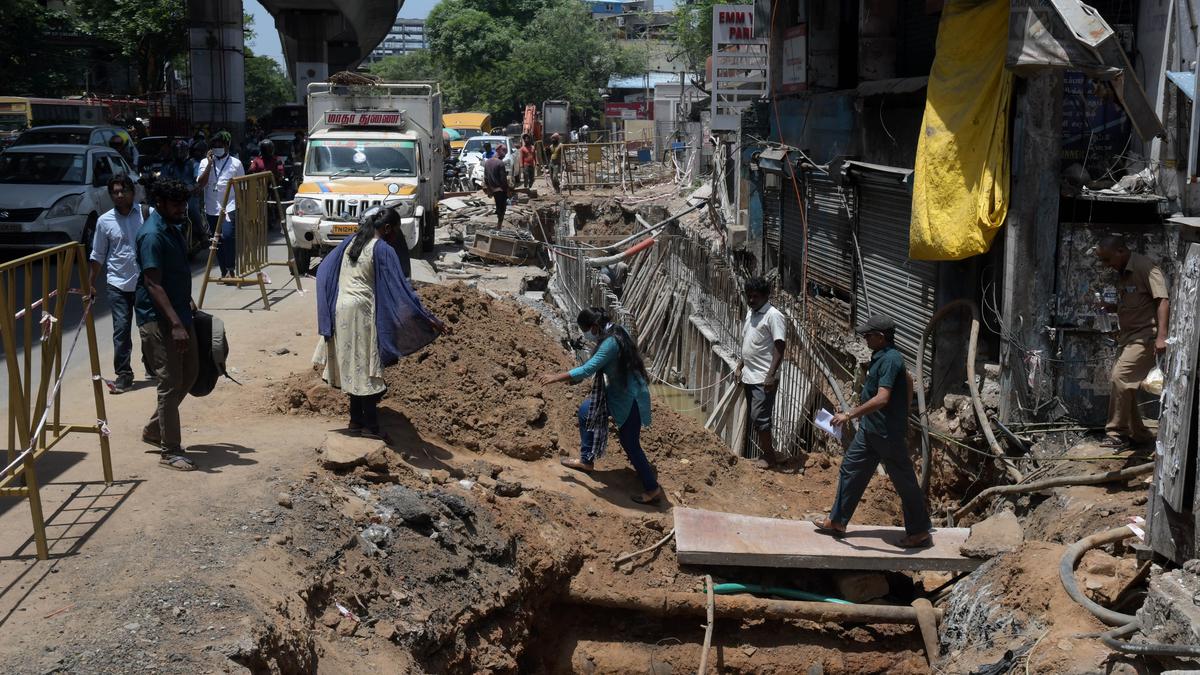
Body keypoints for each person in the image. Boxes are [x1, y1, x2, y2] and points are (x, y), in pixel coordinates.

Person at [314, 207, 448, 440]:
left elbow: (324, 269)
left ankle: (355, 421)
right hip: (362, 312)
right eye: (395, 231)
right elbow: (401, 288)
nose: (395, 236)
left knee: (355, 367)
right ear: (386, 229)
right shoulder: (383, 249)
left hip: (341, 309)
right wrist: (427, 317)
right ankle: (371, 426)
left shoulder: (351, 241)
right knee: (367, 367)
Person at [814, 315, 933, 548]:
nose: (865, 338)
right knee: (850, 468)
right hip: (871, 431)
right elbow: (908, 382)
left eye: (868, 335)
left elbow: (883, 397)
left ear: (881, 337)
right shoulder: (883, 357)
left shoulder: (891, 359)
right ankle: (837, 521)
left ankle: (919, 531)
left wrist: (849, 414)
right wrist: (905, 411)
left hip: (887, 434)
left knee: (904, 481)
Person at [540, 307, 664, 505]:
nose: (586, 335)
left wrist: (556, 377)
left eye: (586, 330)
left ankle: (652, 488)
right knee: (585, 411)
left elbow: (588, 369)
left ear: (595, 326)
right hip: (617, 392)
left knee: (630, 444)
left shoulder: (611, 343)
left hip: (630, 398)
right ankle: (586, 460)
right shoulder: (615, 330)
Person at [135, 179, 200, 472]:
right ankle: (170, 450)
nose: (181, 209)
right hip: (159, 321)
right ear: (160, 204)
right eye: (175, 204)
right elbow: (152, 283)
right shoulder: (152, 235)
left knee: (190, 374)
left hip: (180, 314)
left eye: (183, 203)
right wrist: (174, 323)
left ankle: (153, 429)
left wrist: (185, 305)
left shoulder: (173, 226)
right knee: (169, 383)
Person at [1094, 236, 1170, 449]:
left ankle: (1117, 433)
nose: (1107, 266)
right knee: (1126, 386)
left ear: (1120, 251)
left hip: (1145, 336)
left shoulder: (1144, 267)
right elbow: (1133, 303)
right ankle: (1139, 434)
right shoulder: (1123, 273)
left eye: (1108, 259)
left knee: (1121, 378)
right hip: (1128, 337)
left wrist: (1162, 336)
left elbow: (1162, 300)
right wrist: (1109, 308)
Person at [88, 174, 150, 394]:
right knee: (121, 330)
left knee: (148, 329)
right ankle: (124, 374)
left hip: (145, 283)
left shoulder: (147, 215)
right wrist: (91, 283)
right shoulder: (104, 221)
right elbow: (98, 255)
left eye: (123, 190)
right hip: (117, 283)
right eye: (115, 191)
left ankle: (151, 365)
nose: (119, 195)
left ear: (132, 192)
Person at [735, 277, 787, 469]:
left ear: (766, 296)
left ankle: (769, 457)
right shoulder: (752, 313)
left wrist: (771, 375)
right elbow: (750, 341)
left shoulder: (773, 315)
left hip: (763, 377)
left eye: (755, 296)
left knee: (760, 418)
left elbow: (780, 347)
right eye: (749, 296)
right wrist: (741, 364)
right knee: (757, 417)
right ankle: (770, 452)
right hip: (750, 374)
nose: (751, 300)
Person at [196, 131, 245, 279]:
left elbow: (242, 186)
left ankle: (231, 267)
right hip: (212, 208)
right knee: (217, 240)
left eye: (221, 144)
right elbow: (201, 183)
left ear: (227, 145)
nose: (217, 147)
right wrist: (210, 165)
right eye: (215, 144)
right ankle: (224, 270)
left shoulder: (236, 163)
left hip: (229, 206)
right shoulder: (205, 163)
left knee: (228, 236)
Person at [483, 145, 512, 227]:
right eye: (503, 156)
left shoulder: (487, 162)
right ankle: (499, 225)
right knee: (501, 209)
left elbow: (485, 178)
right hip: (500, 190)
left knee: (498, 206)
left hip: (492, 189)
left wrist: (489, 189)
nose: (503, 158)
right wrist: (508, 191)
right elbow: (503, 180)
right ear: (501, 155)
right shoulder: (500, 163)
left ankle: (498, 224)